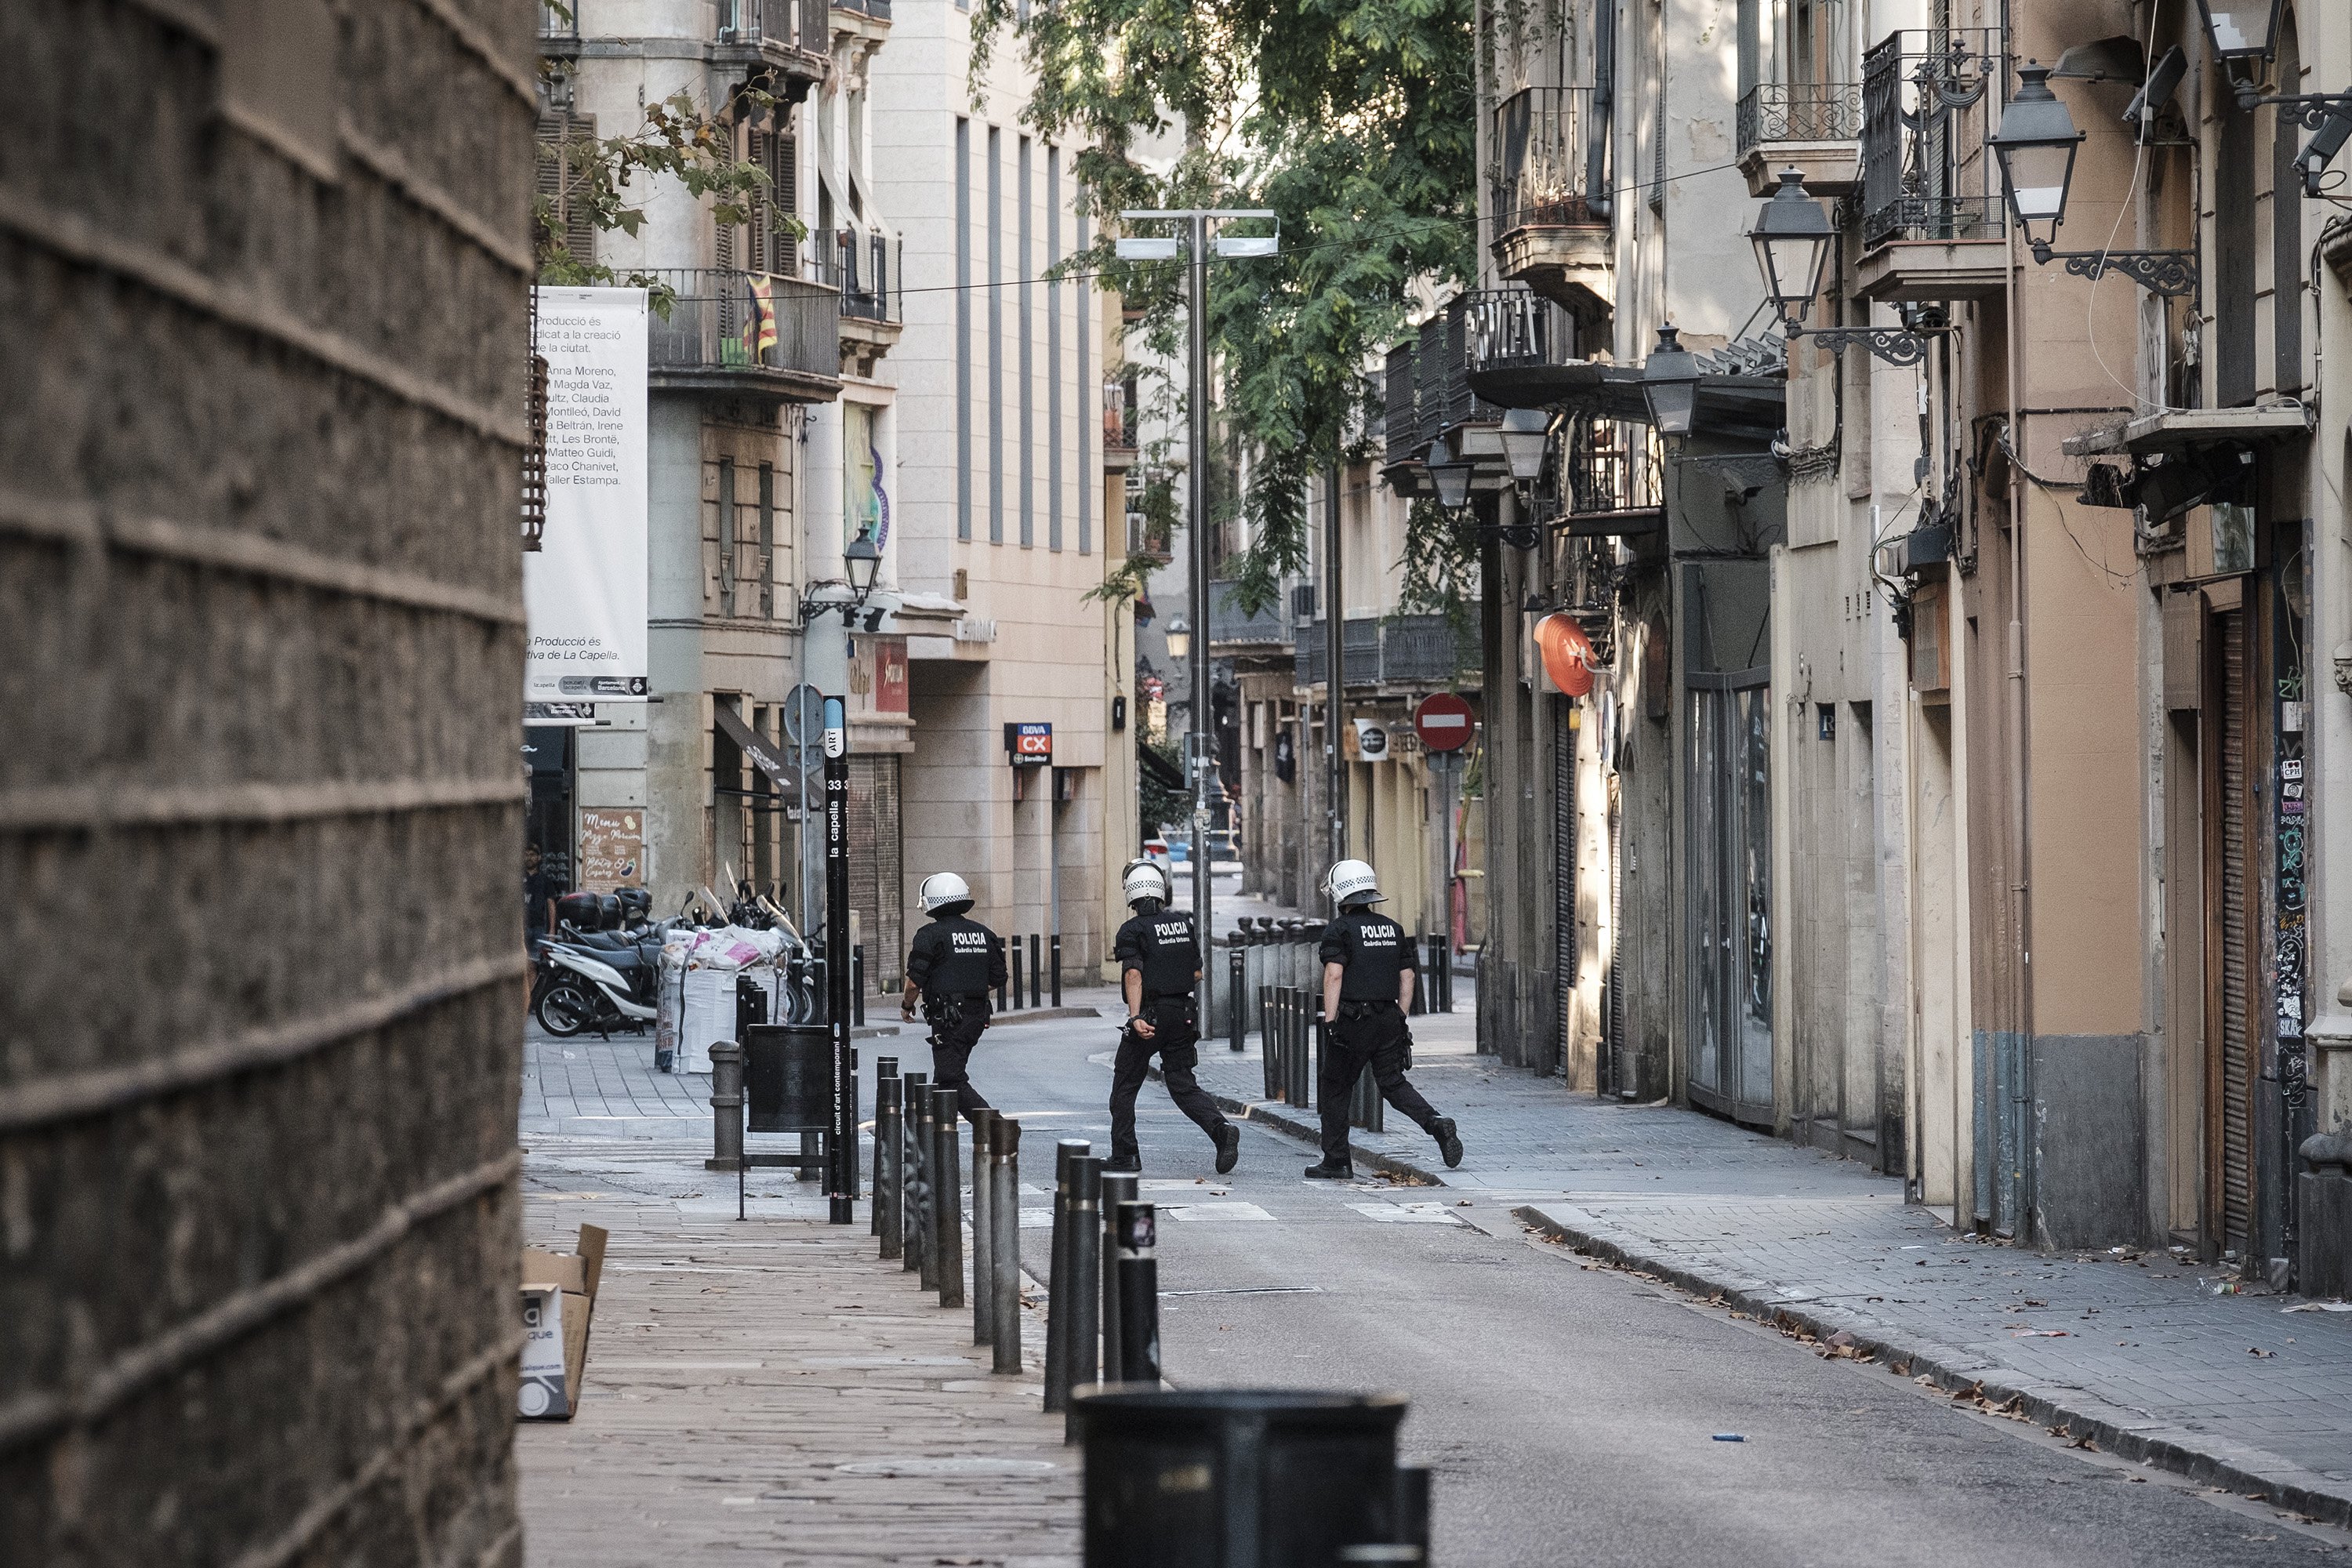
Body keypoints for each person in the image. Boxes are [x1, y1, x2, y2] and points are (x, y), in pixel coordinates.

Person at [1304, 858, 1462, 1179]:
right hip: (1389, 1018)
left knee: (1335, 1087)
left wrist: (1330, 1021)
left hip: (1352, 1020)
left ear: (1340, 893)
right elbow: (1408, 978)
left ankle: (1337, 1160)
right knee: (1392, 1083)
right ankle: (1436, 1124)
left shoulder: (1338, 930)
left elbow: (1334, 975)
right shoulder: (1393, 928)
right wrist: (1399, 1018)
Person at [1106, 862, 1241, 1175]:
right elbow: (1197, 972)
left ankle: (1126, 1155)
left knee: (1124, 1086)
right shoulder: (1182, 924)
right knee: (1182, 1085)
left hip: (1151, 1017)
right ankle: (1221, 1130)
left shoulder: (1132, 930)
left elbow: (1134, 974)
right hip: (1182, 1015)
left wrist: (1136, 1016)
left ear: (1132, 895)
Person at [901, 871, 1009, 1121]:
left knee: (950, 1081)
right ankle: (936, 1143)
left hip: (949, 1018)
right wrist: (972, 988)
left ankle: (997, 1129)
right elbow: (999, 978)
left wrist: (907, 1005)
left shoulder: (929, 935)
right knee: (944, 1080)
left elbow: (914, 982)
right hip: (976, 1016)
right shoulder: (984, 933)